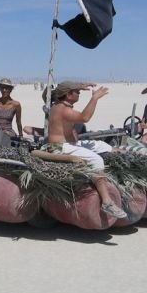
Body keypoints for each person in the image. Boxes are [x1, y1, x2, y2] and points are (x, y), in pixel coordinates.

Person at [45, 80, 127, 219]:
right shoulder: (63, 109)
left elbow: (54, 95)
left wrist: (79, 86)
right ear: (68, 95)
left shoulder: (56, 105)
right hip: (61, 147)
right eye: (77, 92)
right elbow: (85, 117)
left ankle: (126, 153)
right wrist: (94, 98)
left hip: (71, 144)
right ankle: (107, 201)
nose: (79, 94)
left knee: (101, 145)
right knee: (96, 160)